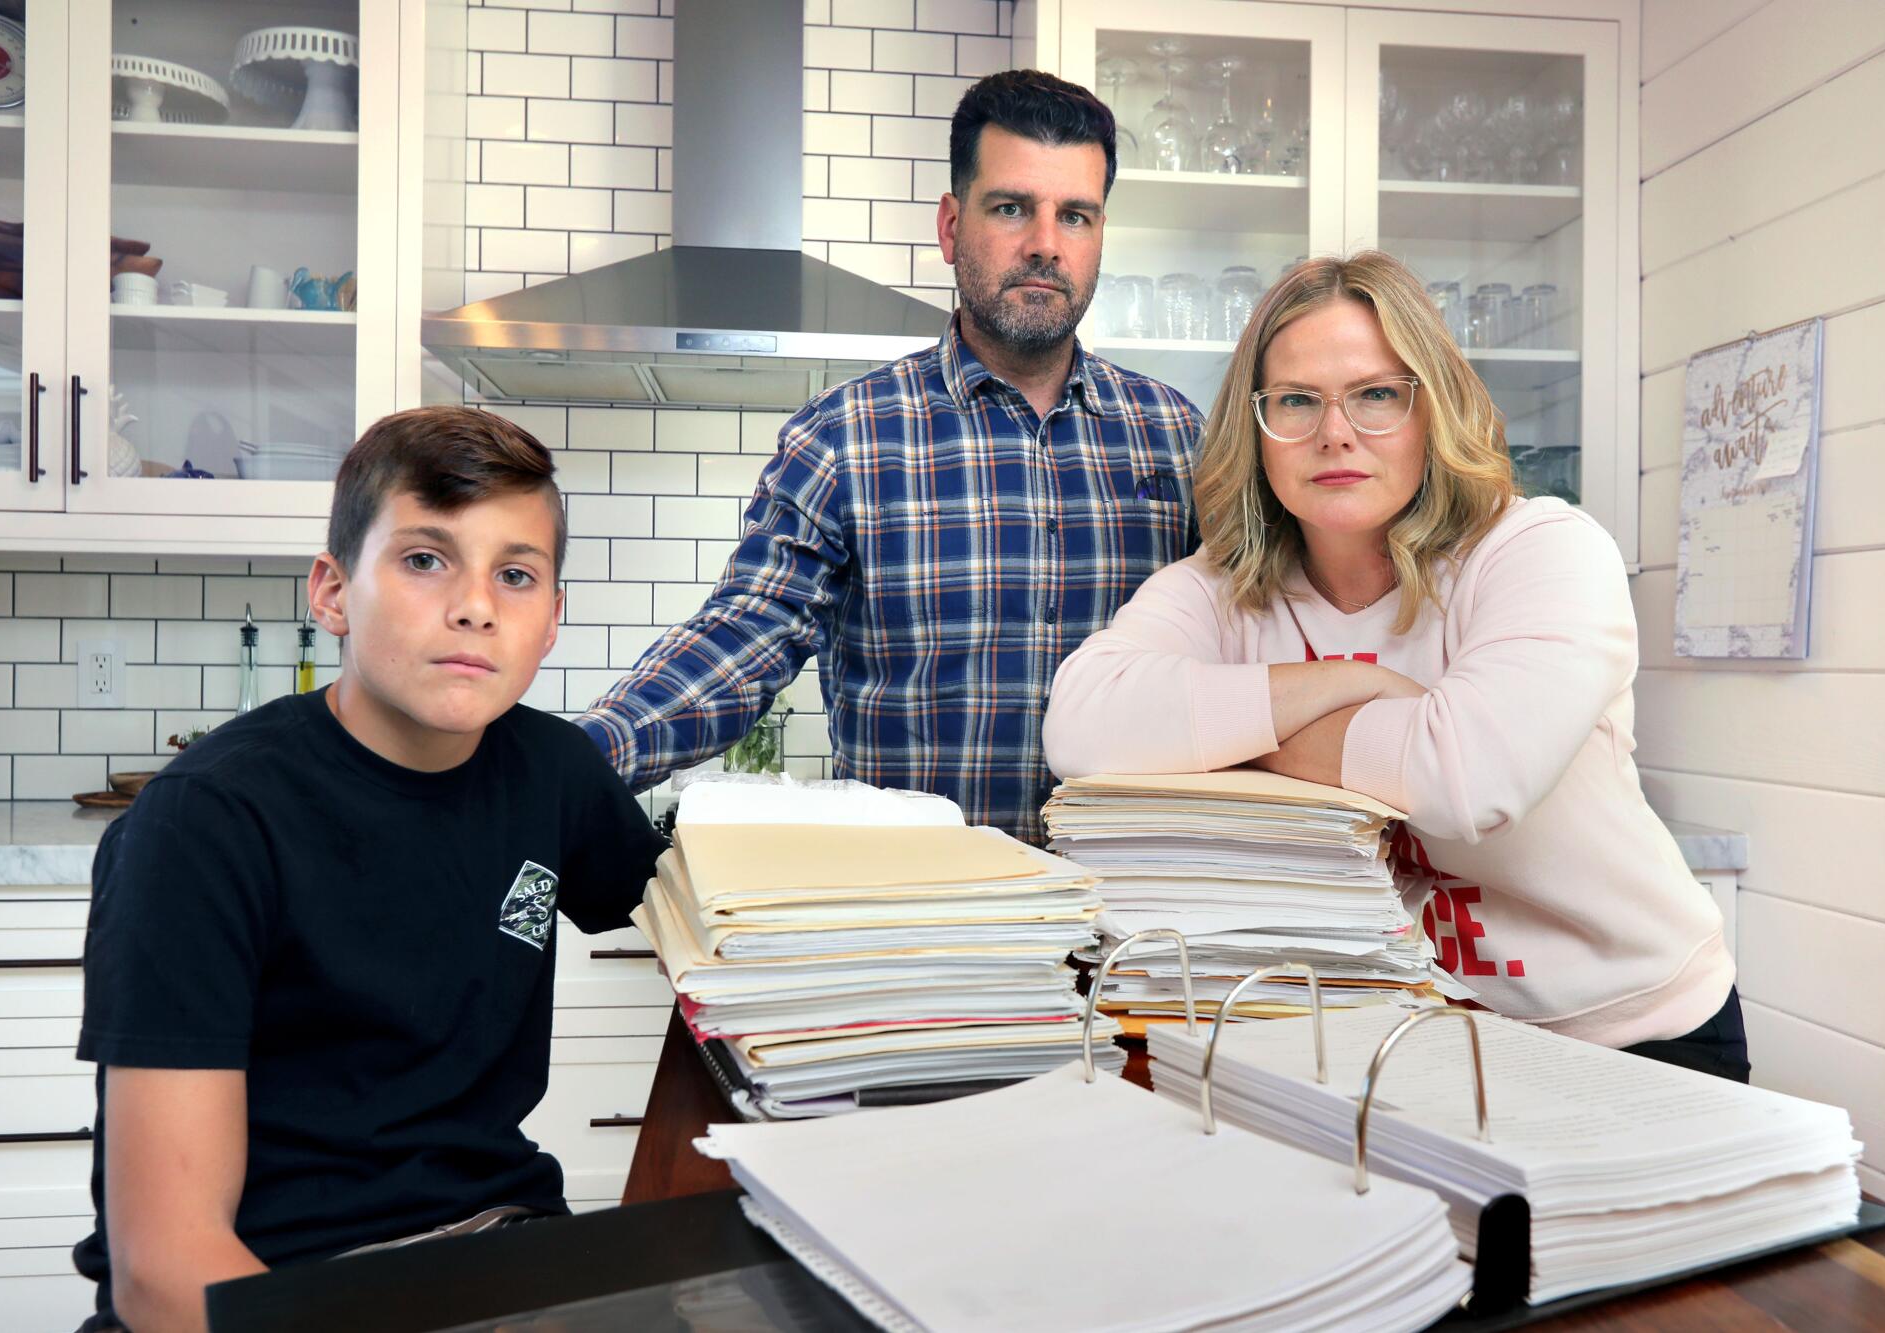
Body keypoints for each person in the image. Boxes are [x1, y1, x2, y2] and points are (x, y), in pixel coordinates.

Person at [1043, 252, 1745, 1078]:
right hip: (1402, 1031)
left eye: (1377, 394)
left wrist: (1239, 735)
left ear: (1431, 409)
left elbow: (1464, 777)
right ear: (1257, 430)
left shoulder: (1542, 551)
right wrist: (1351, 684)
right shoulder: (1222, 589)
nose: (1334, 431)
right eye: (1296, 401)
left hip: (1631, 1027)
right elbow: (1082, 722)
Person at [72, 407, 669, 1333]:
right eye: (425, 559)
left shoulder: (554, 773)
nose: (475, 604)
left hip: (498, 1251)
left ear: (551, 620)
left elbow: (708, 927)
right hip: (279, 1286)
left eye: (515, 575)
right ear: (333, 591)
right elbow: (165, 1271)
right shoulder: (205, 824)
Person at [576, 70, 1206, 843]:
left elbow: (1259, 637)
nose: (1046, 244)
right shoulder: (845, 440)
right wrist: (574, 762)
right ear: (950, 227)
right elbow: (743, 638)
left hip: (1134, 932)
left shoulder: (1177, 439)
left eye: (1075, 216)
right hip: (920, 935)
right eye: (1011, 208)